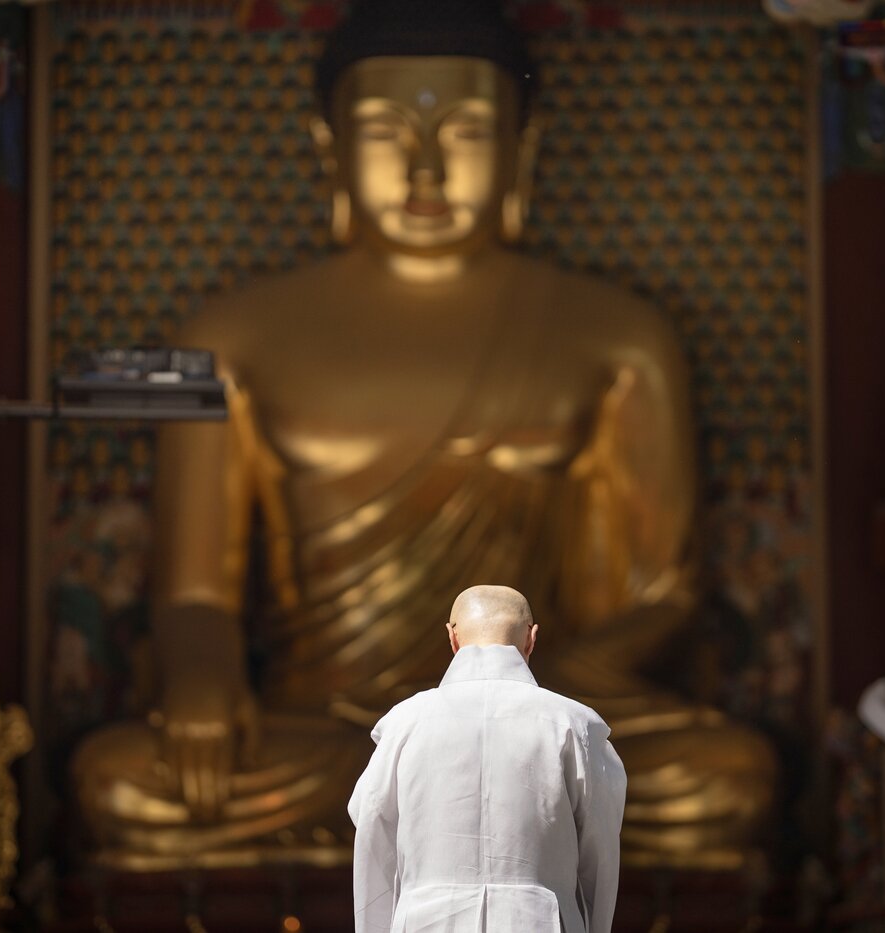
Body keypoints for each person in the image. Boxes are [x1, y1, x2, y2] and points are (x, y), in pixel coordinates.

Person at [73, 0, 775, 868]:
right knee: (118, 779)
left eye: (471, 132)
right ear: (329, 147)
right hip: (327, 733)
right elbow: (196, 594)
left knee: (729, 776)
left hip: (525, 725)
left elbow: (661, 595)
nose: (428, 167)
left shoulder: (617, 337)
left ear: (525, 148)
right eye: (384, 131)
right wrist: (200, 678)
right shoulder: (234, 336)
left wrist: (530, 703)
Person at [349, 586, 626, 933]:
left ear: (451, 638)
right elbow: (600, 854)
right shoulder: (573, 725)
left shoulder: (404, 724)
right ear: (531, 639)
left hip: (426, 921)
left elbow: (374, 843)